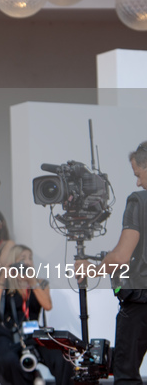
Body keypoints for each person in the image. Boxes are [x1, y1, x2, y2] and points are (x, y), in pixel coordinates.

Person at [75, 141, 147, 384]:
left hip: (141, 303)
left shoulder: (138, 201)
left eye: (138, 174)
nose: (137, 182)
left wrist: (93, 268)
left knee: (126, 375)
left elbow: (121, 256)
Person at [0, 245, 73, 385]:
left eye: (30, 258)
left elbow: (47, 305)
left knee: (61, 358)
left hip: (33, 332)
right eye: (22, 259)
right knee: (9, 360)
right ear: (14, 262)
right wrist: (3, 278)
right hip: (9, 332)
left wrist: (32, 282)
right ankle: (32, 378)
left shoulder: (40, 282)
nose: (28, 262)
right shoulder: (6, 284)